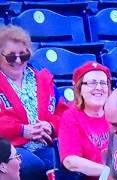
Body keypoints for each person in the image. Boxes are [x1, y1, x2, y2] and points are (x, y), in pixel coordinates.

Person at [0, 25, 67, 180]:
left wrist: (50, 126)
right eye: (11, 56)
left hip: (44, 144)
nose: (18, 61)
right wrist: (22, 130)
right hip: (9, 146)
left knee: (66, 160)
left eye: (23, 56)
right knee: (32, 166)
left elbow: (63, 112)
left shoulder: (44, 79)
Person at [58, 61, 112, 180]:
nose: (99, 87)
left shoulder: (116, 113)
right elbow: (70, 161)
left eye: (103, 83)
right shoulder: (70, 117)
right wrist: (109, 173)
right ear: (79, 89)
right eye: (92, 83)